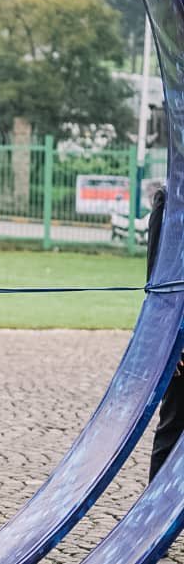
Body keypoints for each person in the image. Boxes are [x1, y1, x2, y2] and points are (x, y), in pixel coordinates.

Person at [147, 185, 184, 481]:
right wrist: (171, 343)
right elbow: (157, 283)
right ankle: (152, 512)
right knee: (172, 425)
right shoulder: (169, 200)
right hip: (180, 335)